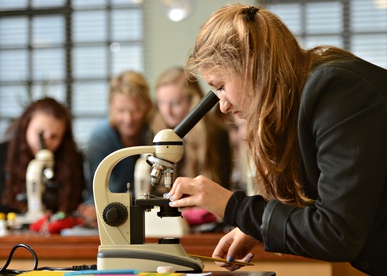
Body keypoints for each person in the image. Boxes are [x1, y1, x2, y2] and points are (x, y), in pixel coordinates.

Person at [163, 4, 387, 275]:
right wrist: (256, 227)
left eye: (221, 86)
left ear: (250, 64)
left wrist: (234, 207)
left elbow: (336, 233)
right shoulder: (310, 90)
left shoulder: (336, 90)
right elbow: (326, 202)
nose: (223, 106)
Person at [82, 70, 153, 227]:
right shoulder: (100, 138)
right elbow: (96, 190)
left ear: (147, 106)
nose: (128, 119)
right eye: (121, 111)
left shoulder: (155, 132)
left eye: (135, 110)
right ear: (111, 107)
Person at [0, 97, 85, 218]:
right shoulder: (3, 154)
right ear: (26, 125)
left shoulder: (73, 162)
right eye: (40, 133)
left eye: (54, 137)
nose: (46, 142)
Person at [152, 67, 232, 190]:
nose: (167, 111)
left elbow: (222, 186)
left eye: (175, 103)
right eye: (161, 103)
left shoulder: (216, 134)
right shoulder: (156, 133)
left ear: (192, 102)